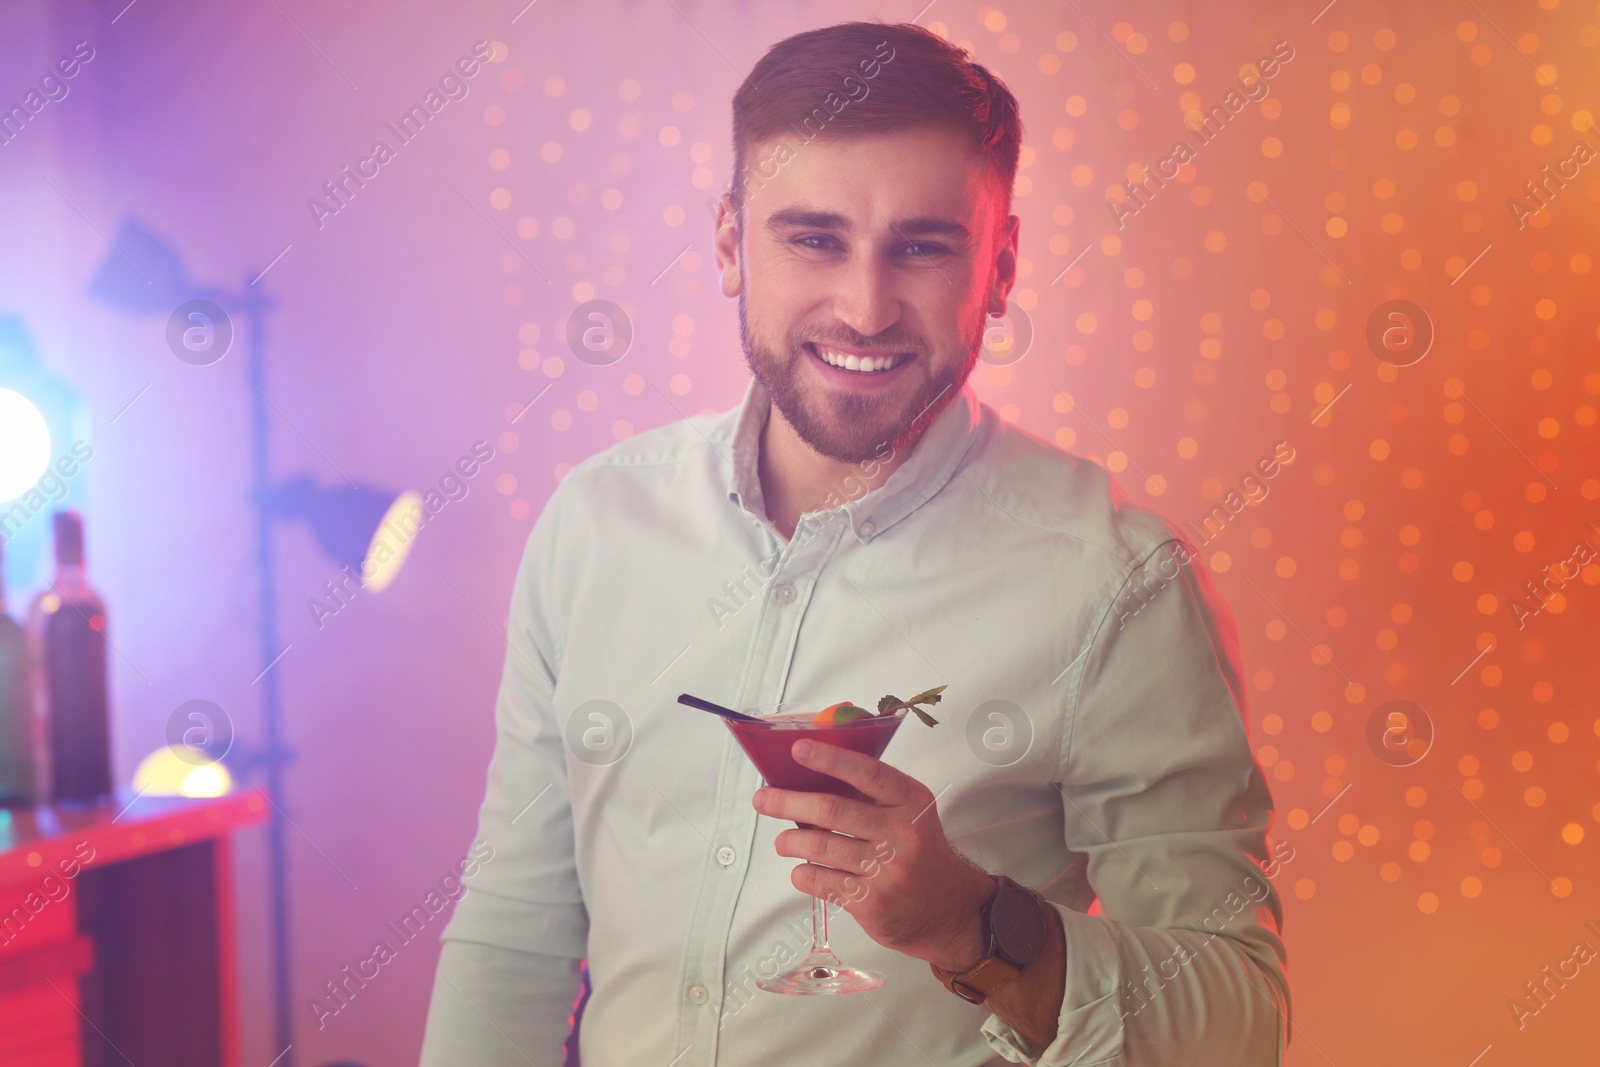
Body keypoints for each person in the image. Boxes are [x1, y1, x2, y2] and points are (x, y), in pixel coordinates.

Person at [420, 19, 1288, 1066]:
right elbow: (516, 926)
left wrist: (976, 923)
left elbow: (1237, 1023)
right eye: (813, 238)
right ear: (732, 245)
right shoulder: (596, 523)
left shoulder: (1115, 580)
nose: (865, 306)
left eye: (922, 245)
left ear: (1000, 264)